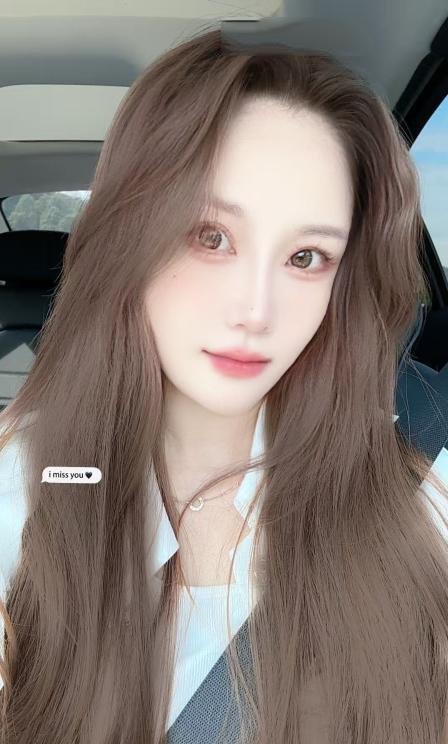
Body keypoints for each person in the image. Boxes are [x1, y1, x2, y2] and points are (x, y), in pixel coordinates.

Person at [0, 24, 447, 744]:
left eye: (306, 257)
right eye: (211, 237)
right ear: (129, 238)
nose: (255, 311)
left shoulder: (417, 497)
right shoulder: (22, 482)